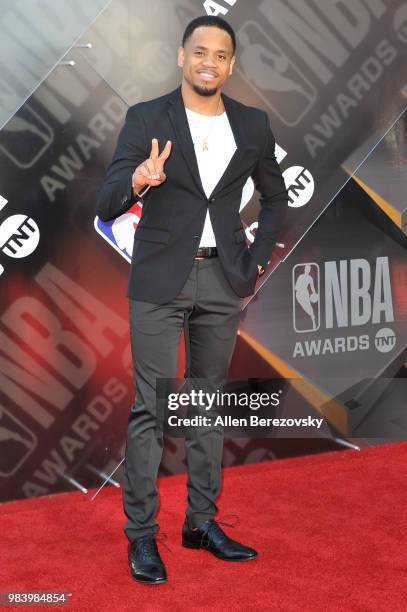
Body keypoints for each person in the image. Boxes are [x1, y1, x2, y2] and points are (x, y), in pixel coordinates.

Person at [96, 15, 288, 585]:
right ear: (182, 57)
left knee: (207, 404)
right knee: (151, 409)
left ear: (231, 64)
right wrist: (138, 181)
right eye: (199, 50)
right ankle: (141, 537)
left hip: (223, 281)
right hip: (159, 280)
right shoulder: (146, 118)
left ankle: (200, 522)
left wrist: (252, 266)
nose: (210, 60)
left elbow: (275, 200)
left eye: (221, 54)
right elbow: (106, 203)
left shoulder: (253, 124)